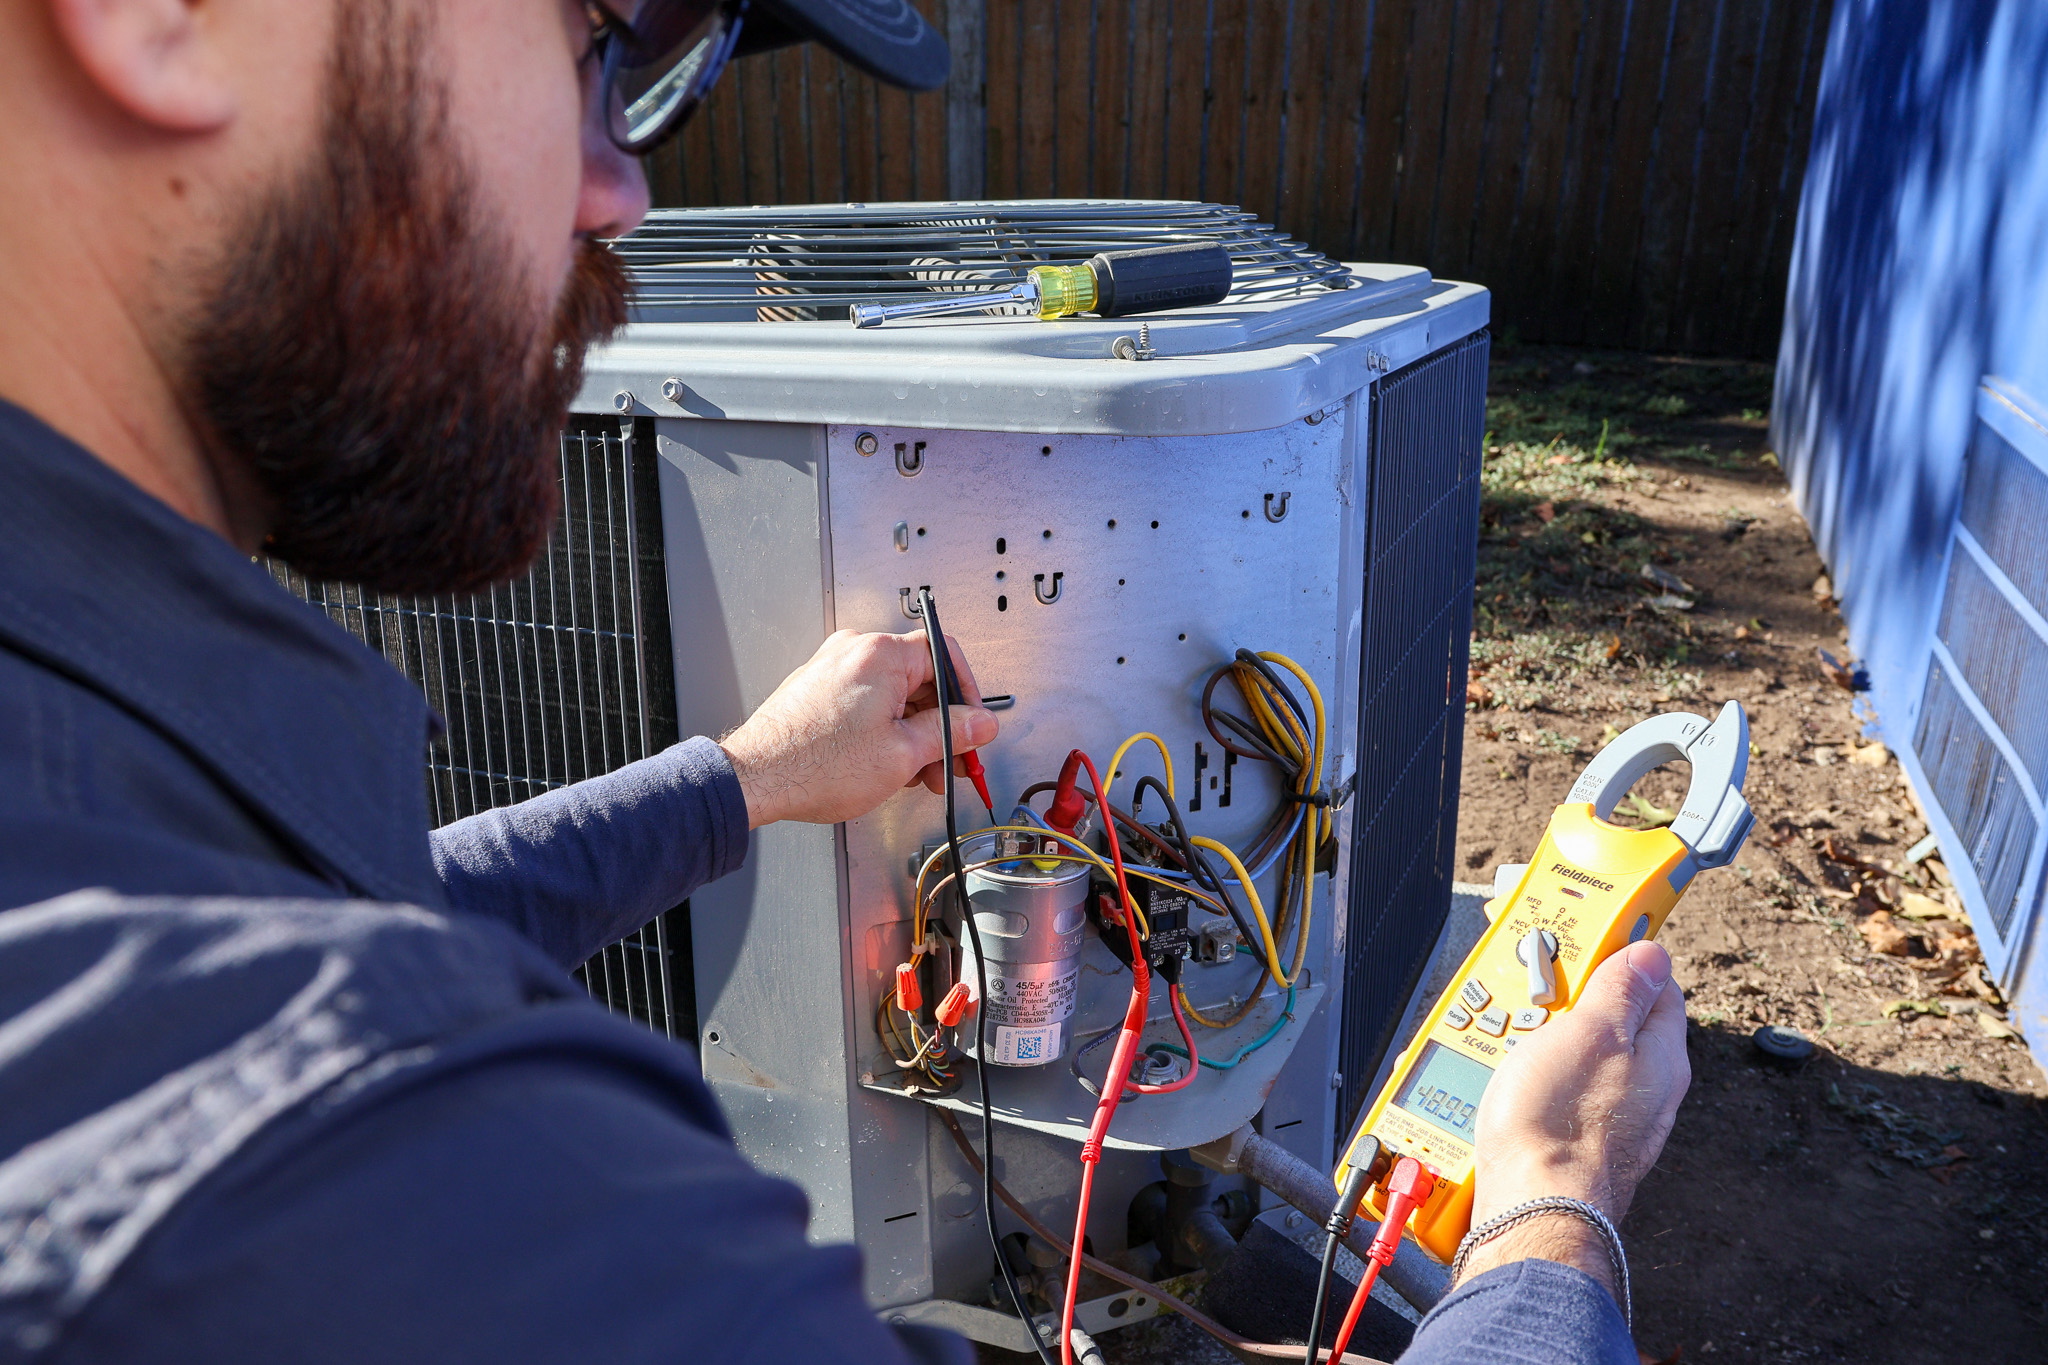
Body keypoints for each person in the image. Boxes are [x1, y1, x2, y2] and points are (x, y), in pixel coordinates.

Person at [0, 2, 1688, 1362]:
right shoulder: (409, 1185)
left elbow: (368, 913)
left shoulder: (110, 845)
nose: (621, 191)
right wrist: (1552, 1216)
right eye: (605, 47)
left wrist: (740, 775)